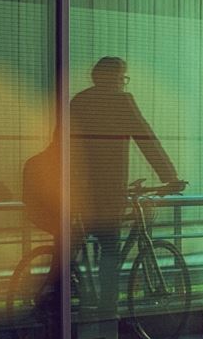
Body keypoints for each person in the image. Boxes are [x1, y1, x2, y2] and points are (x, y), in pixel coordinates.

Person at [70, 56, 182, 316]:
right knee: (109, 249)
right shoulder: (120, 101)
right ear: (115, 77)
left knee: (72, 244)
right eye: (123, 77)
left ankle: (56, 287)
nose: (123, 82)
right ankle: (108, 310)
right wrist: (170, 176)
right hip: (106, 191)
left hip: (76, 188)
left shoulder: (78, 101)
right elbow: (146, 139)